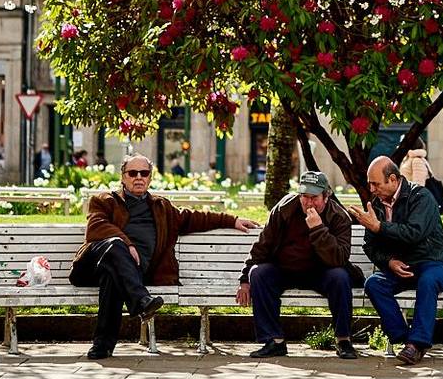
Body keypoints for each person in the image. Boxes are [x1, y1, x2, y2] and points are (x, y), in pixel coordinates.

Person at [70, 154, 260, 359]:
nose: (139, 177)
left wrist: (232, 220)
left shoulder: (161, 208)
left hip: (131, 273)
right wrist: (127, 244)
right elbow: (96, 228)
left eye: (144, 173)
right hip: (92, 266)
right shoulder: (104, 201)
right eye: (133, 173)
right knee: (115, 249)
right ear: (123, 177)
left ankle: (103, 346)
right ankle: (142, 301)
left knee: (114, 277)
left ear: (150, 178)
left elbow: (194, 218)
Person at [343, 152, 443, 366]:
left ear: (393, 179)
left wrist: (378, 226)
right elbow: (370, 245)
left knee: (428, 281)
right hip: (403, 266)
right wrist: (388, 262)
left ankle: (417, 344)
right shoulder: (376, 205)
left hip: (433, 261)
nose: (372, 189)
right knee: (374, 283)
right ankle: (406, 341)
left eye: (376, 184)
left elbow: (414, 233)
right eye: (370, 184)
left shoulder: (421, 197)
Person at [237, 170, 360, 358]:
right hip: (285, 269)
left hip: (321, 271)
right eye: (304, 196)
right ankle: (274, 341)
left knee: (340, 276)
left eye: (314, 197)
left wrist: (318, 228)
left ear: (326, 196)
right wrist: (245, 279)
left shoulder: (338, 217)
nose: (308, 202)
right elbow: (263, 245)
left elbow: (339, 259)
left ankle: (343, 340)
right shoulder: (284, 208)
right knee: (258, 273)